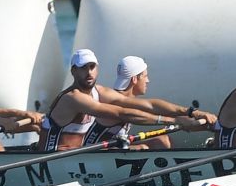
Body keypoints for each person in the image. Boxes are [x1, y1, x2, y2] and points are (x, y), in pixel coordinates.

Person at [39, 49, 194, 151]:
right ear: (73, 71)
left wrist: (191, 112)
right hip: (52, 158)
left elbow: (149, 104)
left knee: (161, 141)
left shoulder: (99, 91)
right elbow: (122, 113)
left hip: (79, 158)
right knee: (152, 145)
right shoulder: (73, 98)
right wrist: (174, 122)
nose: (89, 72)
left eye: (92, 67)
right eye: (83, 68)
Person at [110, 55, 217, 150]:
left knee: (163, 141)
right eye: (145, 76)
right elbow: (153, 108)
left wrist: (209, 125)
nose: (148, 80)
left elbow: (160, 111)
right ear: (134, 79)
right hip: (99, 152)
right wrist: (185, 118)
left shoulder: (125, 100)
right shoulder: (118, 103)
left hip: (113, 147)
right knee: (144, 147)